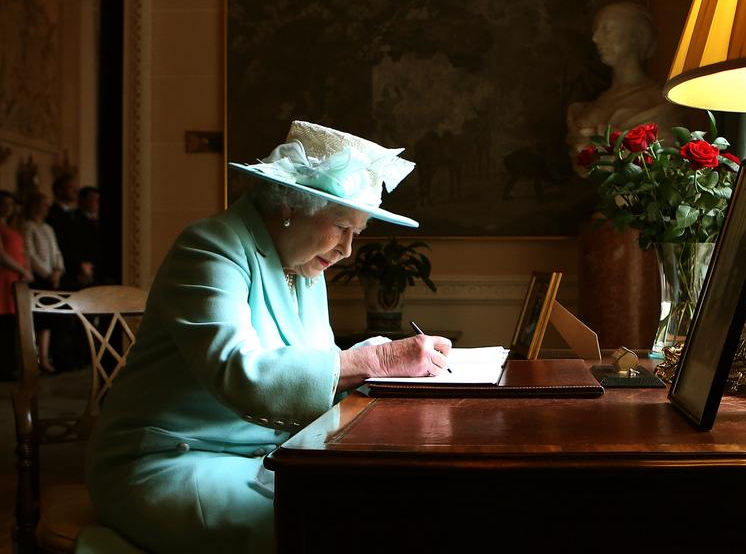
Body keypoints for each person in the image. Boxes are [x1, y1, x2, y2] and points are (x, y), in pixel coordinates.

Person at [84, 121, 450, 554]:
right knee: (318, 526)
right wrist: (378, 361)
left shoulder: (305, 268)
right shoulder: (210, 246)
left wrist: (373, 365)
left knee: (386, 506)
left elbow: (310, 368)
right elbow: (239, 370)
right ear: (288, 206)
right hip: (170, 461)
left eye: (358, 232)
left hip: (268, 461)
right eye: (340, 226)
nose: (347, 249)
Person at [566, 2, 691, 167]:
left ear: (636, 36)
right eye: (596, 30)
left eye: (607, 29)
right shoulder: (593, 105)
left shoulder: (659, 104)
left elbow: (665, 164)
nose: (595, 38)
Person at [21, 192, 64, 374]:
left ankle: (45, 358)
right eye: (44, 205)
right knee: (37, 320)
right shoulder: (27, 226)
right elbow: (30, 254)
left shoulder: (48, 228)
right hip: (38, 277)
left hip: (52, 278)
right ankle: (35, 360)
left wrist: (58, 270)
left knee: (49, 319)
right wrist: (47, 274)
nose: (47, 209)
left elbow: (56, 252)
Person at [0, 190, 34, 379]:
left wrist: (26, 268)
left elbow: (22, 250)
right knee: (4, 323)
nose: (8, 208)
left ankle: (14, 364)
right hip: (4, 277)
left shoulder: (13, 226)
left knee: (15, 323)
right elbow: (1, 255)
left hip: (17, 277)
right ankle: (5, 367)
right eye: (4, 203)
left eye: (10, 204)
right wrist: (22, 270)